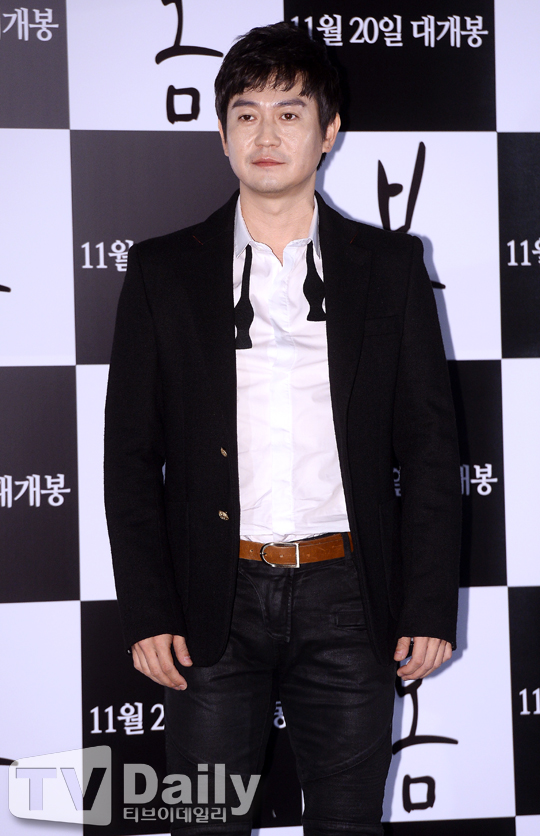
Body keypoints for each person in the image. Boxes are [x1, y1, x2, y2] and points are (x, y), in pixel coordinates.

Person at [104, 21, 461, 836]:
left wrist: (428, 604)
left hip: (349, 600)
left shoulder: (391, 267)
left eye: (290, 113)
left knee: (347, 824)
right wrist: (148, 609)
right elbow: (130, 457)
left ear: (328, 132)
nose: (266, 135)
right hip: (210, 603)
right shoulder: (162, 269)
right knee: (205, 821)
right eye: (247, 113)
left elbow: (431, 451)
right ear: (222, 133)